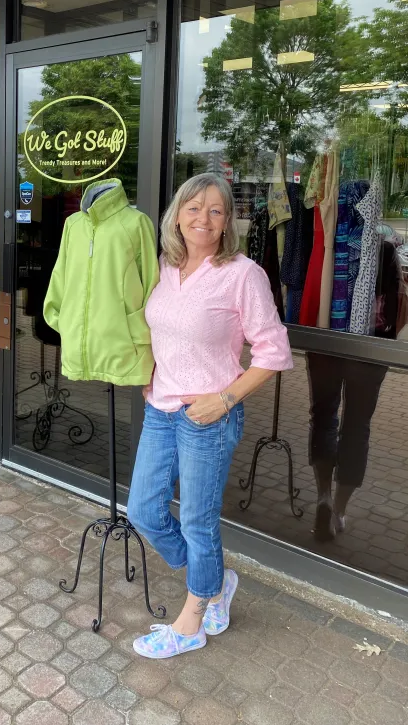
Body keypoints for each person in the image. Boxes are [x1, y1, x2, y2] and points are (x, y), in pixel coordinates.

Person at [127, 173, 293, 659]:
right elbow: (161, 329)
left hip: (209, 418)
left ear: (227, 223)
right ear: (177, 214)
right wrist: (148, 372)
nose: (204, 218)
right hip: (161, 408)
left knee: (198, 523)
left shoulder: (242, 274)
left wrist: (225, 399)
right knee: (143, 511)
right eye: (194, 207)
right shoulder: (164, 266)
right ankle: (215, 579)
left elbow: (273, 350)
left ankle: (193, 619)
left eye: (216, 210)